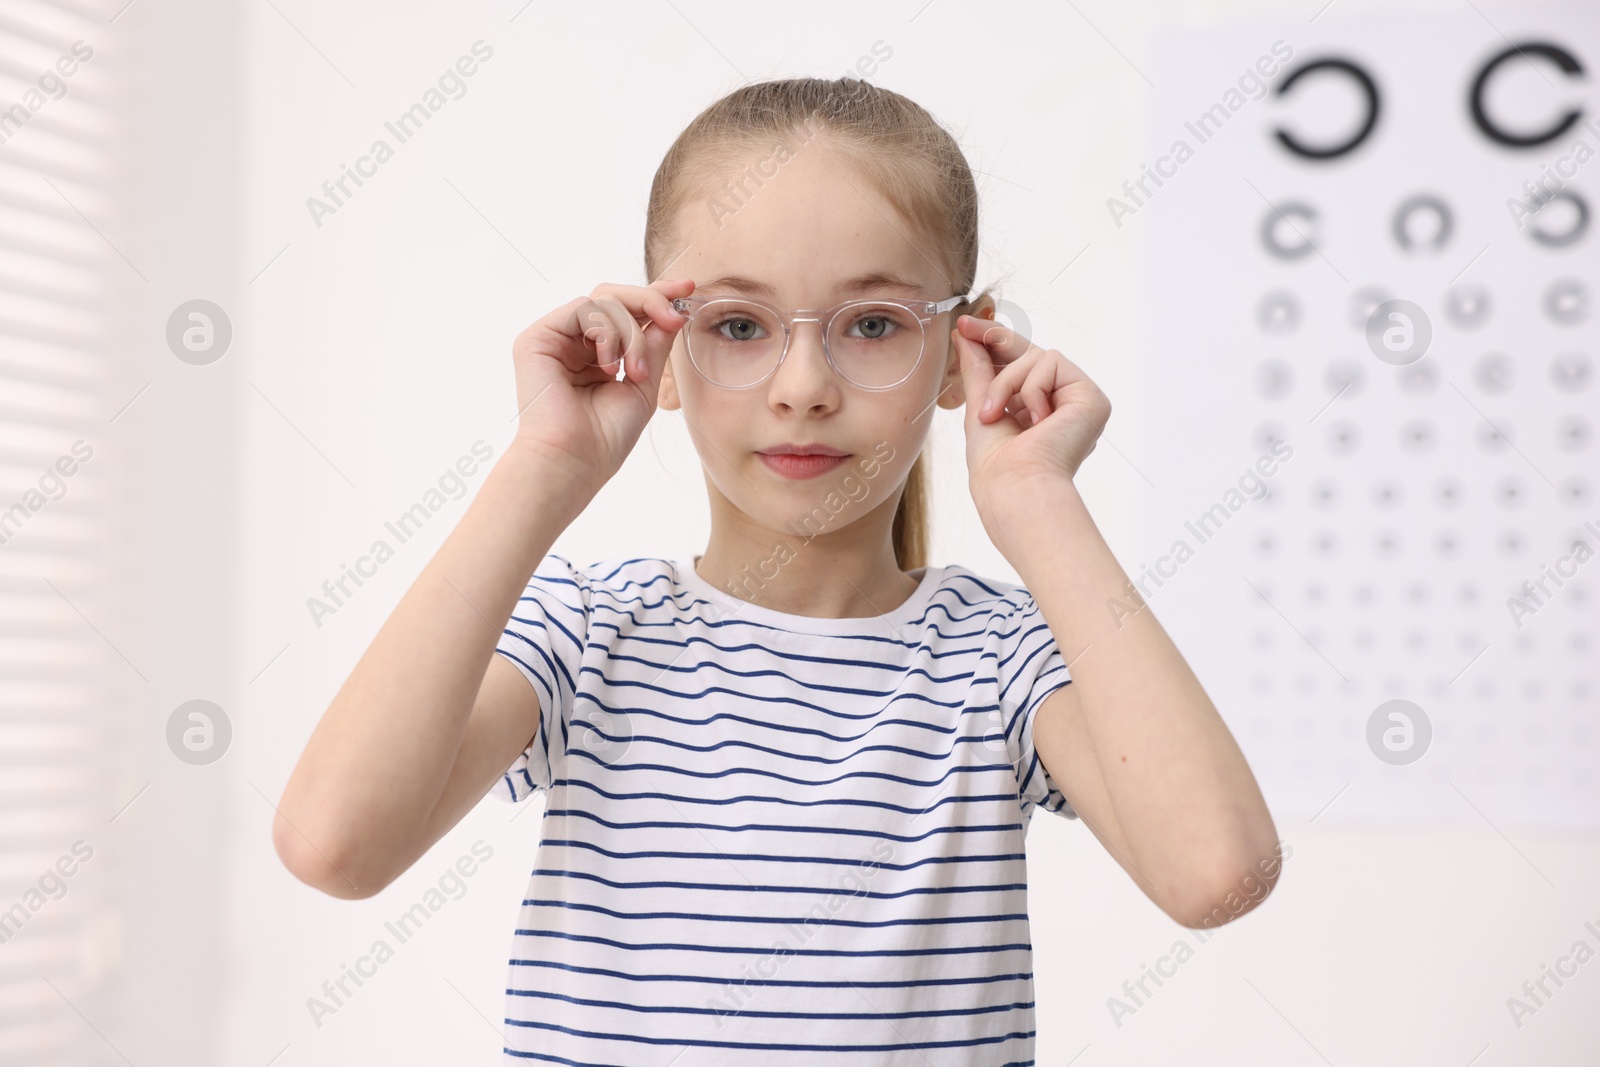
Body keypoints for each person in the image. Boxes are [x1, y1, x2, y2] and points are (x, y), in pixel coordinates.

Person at [274, 75, 1281, 1064]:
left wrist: (1040, 503)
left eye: (876, 323)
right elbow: (334, 843)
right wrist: (543, 468)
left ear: (958, 346)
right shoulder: (586, 631)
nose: (803, 386)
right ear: (662, 348)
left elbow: (1217, 874)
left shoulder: (1001, 659)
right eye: (739, 326)